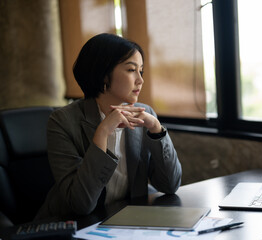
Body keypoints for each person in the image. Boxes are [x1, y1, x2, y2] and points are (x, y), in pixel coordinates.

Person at [35, 33, 182, 221]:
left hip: (125, 220)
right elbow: (81, 203)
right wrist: (103, 132)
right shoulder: (62, 121)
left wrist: (156, 129)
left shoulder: (145, 115)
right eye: (131, 70)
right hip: (71, 224)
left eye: (141, 71)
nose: (140, 80)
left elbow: (170, 185)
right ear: (104, 75)